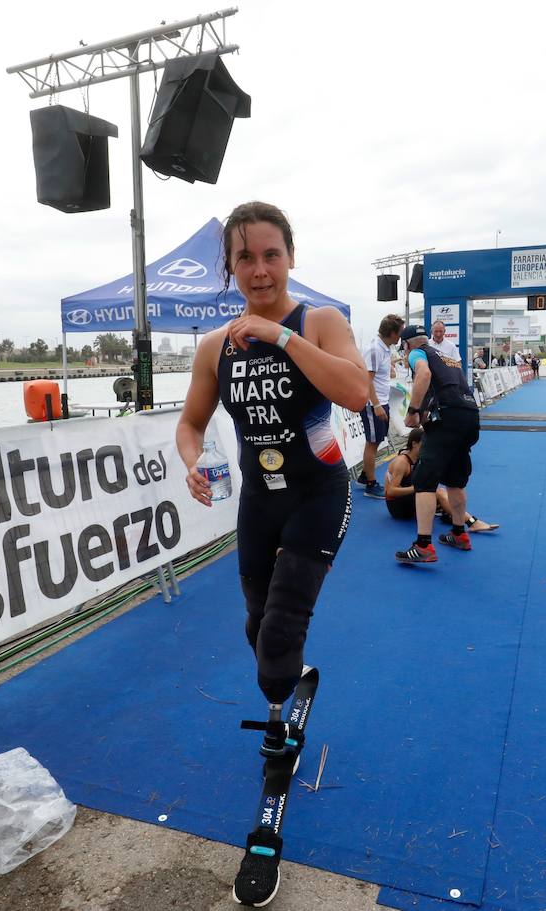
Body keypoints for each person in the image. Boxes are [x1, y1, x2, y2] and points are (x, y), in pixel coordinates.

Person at [175, 202, 369, 762]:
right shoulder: (214, 346)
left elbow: (356, 393)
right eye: (245, 258)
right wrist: (193, 461)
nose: (260, 270)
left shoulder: (320, 322)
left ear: (290, 257)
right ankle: (287, 672)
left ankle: (278, 723)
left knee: (282, 626)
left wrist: (279, 337)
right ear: (230, 269)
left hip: (319, 492)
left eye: (271, 256)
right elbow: (190, 424)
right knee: (258, 629)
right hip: (259, 503)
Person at [394, 325, 482, 563]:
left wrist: (413, 411)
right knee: (456, 479)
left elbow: (423, 375)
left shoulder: (417, 352)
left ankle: (423, 545)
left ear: (406, 344)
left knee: (424, 481)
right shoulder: (446, 357)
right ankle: (459, 533)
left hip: (448, 416)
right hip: (470, 415)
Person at [358, 314, 404, 499]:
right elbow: (366, 380)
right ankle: (370, 483)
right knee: (373, 442)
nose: (400, 337)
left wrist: (391, 366)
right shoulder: (375, 349)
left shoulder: (384, 349)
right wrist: (376, 405)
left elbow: (377, 373)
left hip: (381, 402)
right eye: (399, 332)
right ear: (392, 333)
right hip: (373, 404)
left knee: (376, 441)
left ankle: (364, 475)